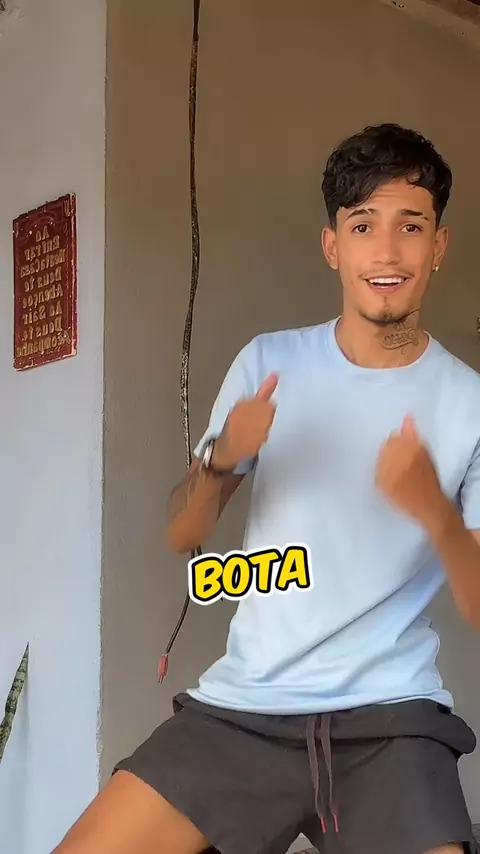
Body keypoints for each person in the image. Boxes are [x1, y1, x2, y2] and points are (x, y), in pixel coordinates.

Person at [54, 123, 480, 854]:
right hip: (243, 710)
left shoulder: (469, 403)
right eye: (363, 225)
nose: (386, 252)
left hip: (390, 720)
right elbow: (184, 533)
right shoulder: (268, 362)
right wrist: (222, 459)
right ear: (332, 246)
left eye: (410, 226)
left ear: (437, 246)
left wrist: (436, 514)